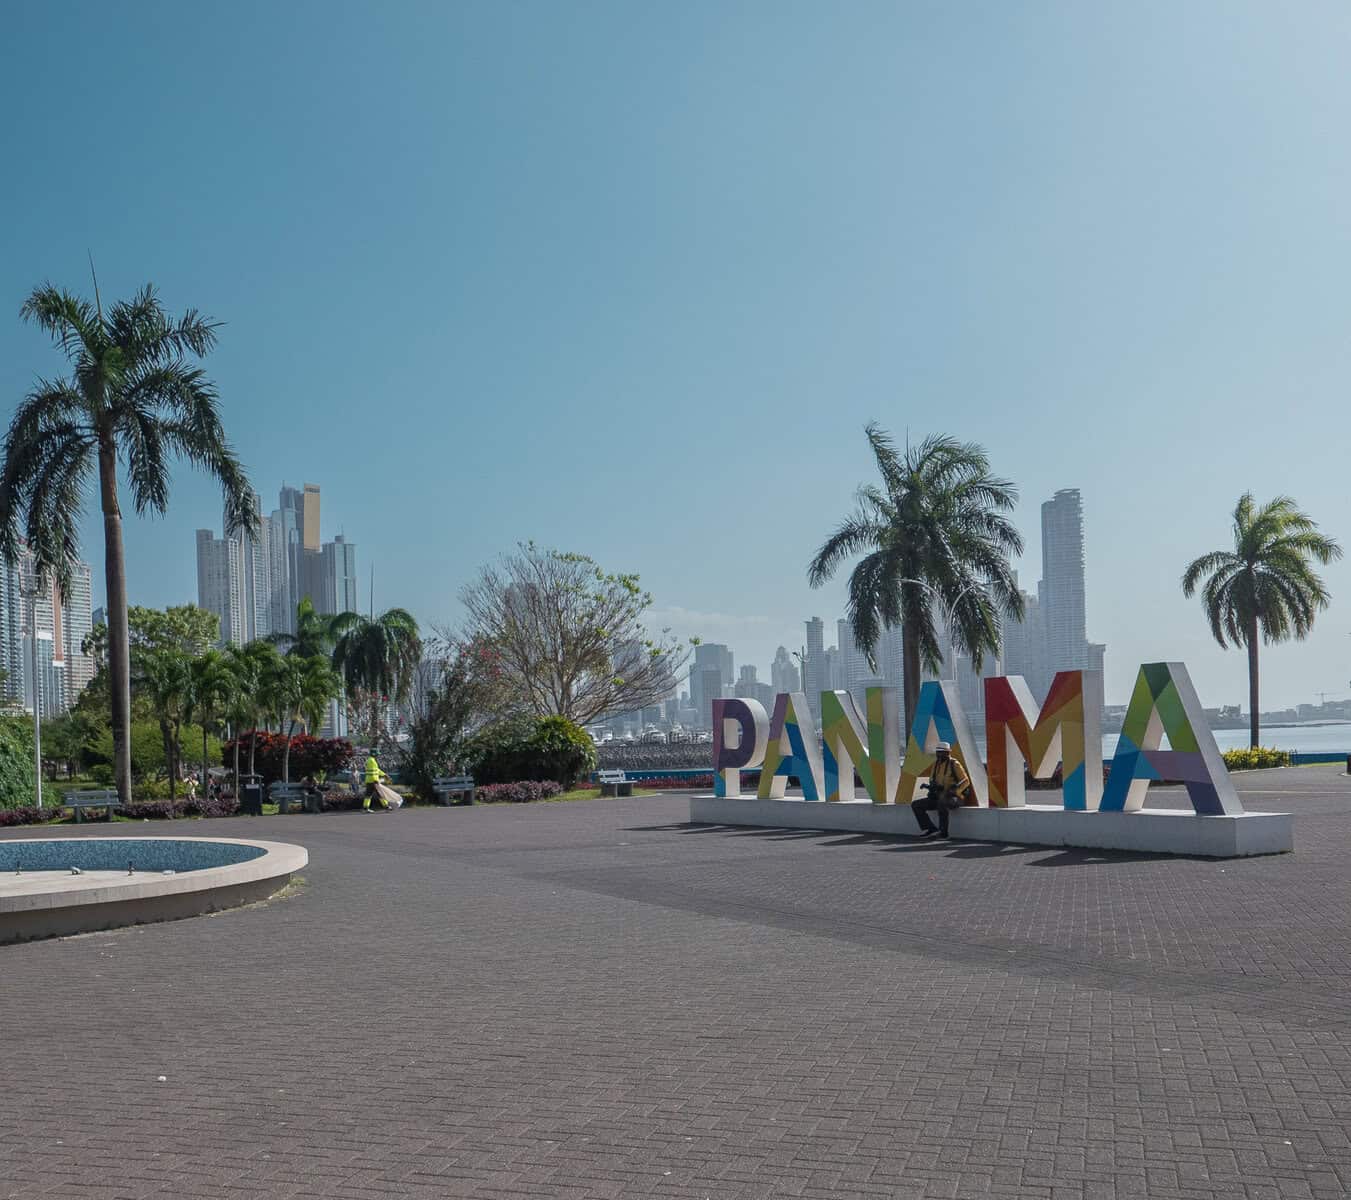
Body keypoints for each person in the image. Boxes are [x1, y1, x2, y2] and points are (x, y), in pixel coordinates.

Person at [911, 741, 970, 839]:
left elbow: (965, 781)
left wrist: (954, 791)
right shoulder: (935, 765)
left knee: (942, 802)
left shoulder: (954, 764)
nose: (939, 754)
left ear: (948, 753)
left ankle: (943, 833)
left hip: (955, 798)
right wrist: (931, 787)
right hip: (939, 797)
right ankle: (931, 829)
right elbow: (933, 781)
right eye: (938, 752)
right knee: (916, 805)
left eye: (941, 752)